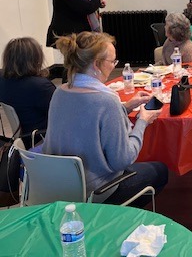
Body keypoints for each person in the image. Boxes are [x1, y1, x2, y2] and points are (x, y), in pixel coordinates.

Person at [43, 32, 168, 207]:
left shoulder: (60, 92)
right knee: (160, 170)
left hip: (57, 184)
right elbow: (123, 160)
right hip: (94, 190)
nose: (114, 65)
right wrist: (142, 122)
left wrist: (126, 107)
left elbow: (86, 120)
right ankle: (112, 217)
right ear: (96, 64)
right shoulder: (107, 100)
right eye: (112, 62)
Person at [0, 37, 55, 146]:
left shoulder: (2, 80)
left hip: (23, 138)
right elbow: (61, 114)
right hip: (42, 139)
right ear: (35, 58)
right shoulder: (40, 87)